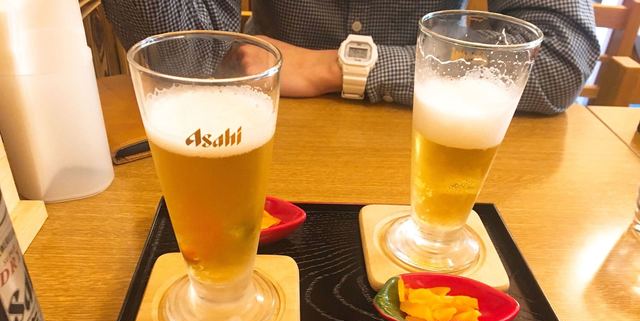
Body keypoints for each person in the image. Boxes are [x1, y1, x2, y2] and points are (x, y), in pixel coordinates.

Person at [103, 1, 599, 115]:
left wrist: (339, 68)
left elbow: (559, 61)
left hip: (436, 122)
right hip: (257, 110)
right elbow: (182, 57)